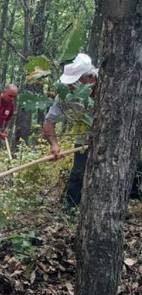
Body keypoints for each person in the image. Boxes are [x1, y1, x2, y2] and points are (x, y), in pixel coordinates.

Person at [44, 53, 141, 207]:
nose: (72, 86)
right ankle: (71, 209)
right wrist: (54, 144)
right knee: (78, 173)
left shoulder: (113, 87)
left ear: (91, 78)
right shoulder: (64, 96)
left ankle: (132, 203)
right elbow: (49, 121)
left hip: (115, 139)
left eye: (77, 81)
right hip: (84, 139)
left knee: (131, 168)